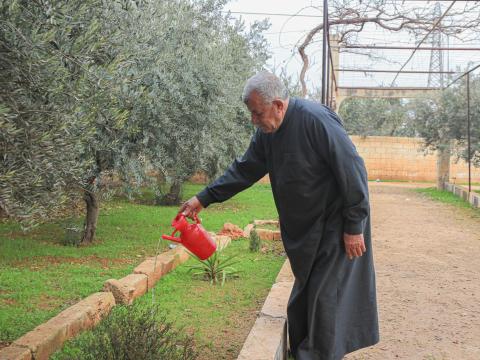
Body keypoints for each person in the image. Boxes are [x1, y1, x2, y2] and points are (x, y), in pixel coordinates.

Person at [180, 71, 379, 360]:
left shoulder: (315, 120)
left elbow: (353, 170)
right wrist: (204, 197)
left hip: (336, 227)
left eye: (257, 113)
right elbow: (244, 169)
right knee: (301, 306)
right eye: (251, 113)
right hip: (306, 231)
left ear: (278, 105)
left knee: (325, 306)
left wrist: (354, 225)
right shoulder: (267, 135)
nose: (254, 120)